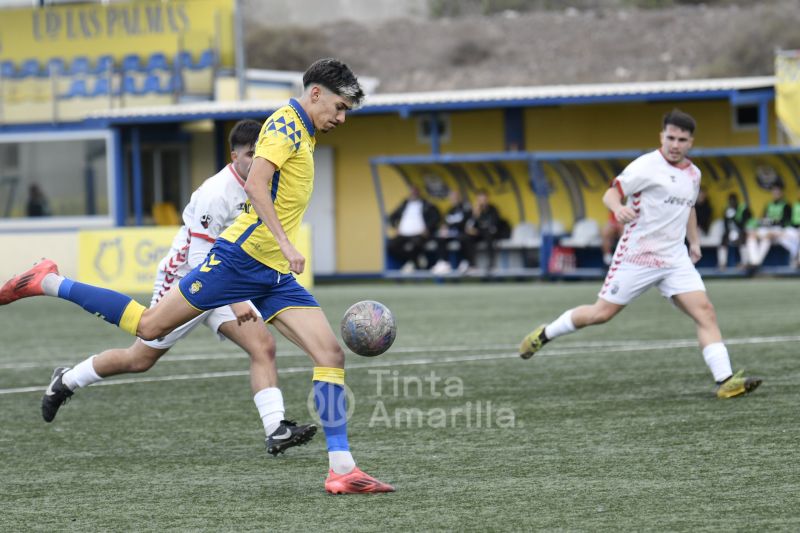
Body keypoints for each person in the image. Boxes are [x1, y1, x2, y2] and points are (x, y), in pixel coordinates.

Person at [0, 58, 394, 494]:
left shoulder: (304, 132)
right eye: (339, 107)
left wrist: (279, 255)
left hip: (272, 274)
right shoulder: (284, 126)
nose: (340, 118)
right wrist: (285, 243)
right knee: (148, 329)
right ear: (316, 93)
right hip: (237, 262)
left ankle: (342, 470)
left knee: (330, 355)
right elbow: (257, 186)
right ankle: (47, 281)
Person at [35, 119, 315, 456]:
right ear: (234, 155)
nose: (255, 161)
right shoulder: (216, 192)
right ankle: (66, 380)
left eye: (261, 155)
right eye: (249, 155)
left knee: (263, 346)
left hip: (224, 281)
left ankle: (276, 429)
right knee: (139, 358)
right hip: (186, 277)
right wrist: (240, 300)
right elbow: (199, 256)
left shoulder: (267, 185)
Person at [517, 109, 761, 399]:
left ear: (690, 142)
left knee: (705, 312)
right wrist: (618, 208)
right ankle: (545, 334)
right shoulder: (646, 165)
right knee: (600, 314)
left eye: (681, 139)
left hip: (674, 258)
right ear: (662, 136)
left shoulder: (694, 174)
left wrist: (693, 242)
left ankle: (725, 381)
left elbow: (689, 208)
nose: (675, 144)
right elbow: (611, 192)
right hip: (638, 256)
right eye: (670, 137)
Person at [386, 185, 441, 272]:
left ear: (419, 193)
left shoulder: (426, 204)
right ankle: (413, 261)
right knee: (390, 246)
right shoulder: (404, 204)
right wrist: (395, 227)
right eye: (412, 192)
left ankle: (413, 263)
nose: (413, 194)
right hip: (403, 234)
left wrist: (428, 229)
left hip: (419, 233)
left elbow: (436, 217)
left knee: (413, 246)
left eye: (416, 192)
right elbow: (391, 217)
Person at [744, 183, 792, 270]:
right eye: (774, 191)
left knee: (767, 237)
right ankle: (754, 262)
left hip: (779, 230)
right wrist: (760, 224)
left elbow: (785, 223)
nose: (775, 193)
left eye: (777, 191)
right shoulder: (769, 204)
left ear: (781, 193)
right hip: (767, 229)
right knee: (751, 236)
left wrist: (773, 222)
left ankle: (755, 263)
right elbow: (762, 219)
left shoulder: (786, 205)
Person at [430, 189, 472, 275]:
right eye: (452, 197)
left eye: (455, 197)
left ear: (459, 197)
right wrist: (444, 228)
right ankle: (444, 263)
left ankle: (466, 263)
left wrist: (451, 226)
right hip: (451, 234)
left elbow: (465, 222)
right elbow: (445, 222)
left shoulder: (465, 208)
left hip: (461, 232)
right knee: (440, 237)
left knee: (464, 238)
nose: (454, 199)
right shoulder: (450, 210)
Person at [464, 189, 506, 271]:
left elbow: (493, 225)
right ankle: (471, 265)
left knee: (489, 236)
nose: (481, 202)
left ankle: (491, 264)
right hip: (478, 234)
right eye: (479, 200)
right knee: (466, 237)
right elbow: (468, 226)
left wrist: (480, 229)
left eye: (483, 199)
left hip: (489, 233)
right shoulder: (474, 211)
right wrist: (475, 215)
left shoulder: (492, 209)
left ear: (487, 199)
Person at [717, 192, 750, 270]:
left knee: (742, 239)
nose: (732, 203)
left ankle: (745, 263)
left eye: (733, 201)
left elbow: (743, 225)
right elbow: (725, 225)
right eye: (730, 201)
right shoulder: (726, 209)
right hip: (731, 232)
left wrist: (734, 217)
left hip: (741, 231)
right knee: (723, 239)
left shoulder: (742, 209)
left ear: (736, 201)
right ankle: (722, 264)